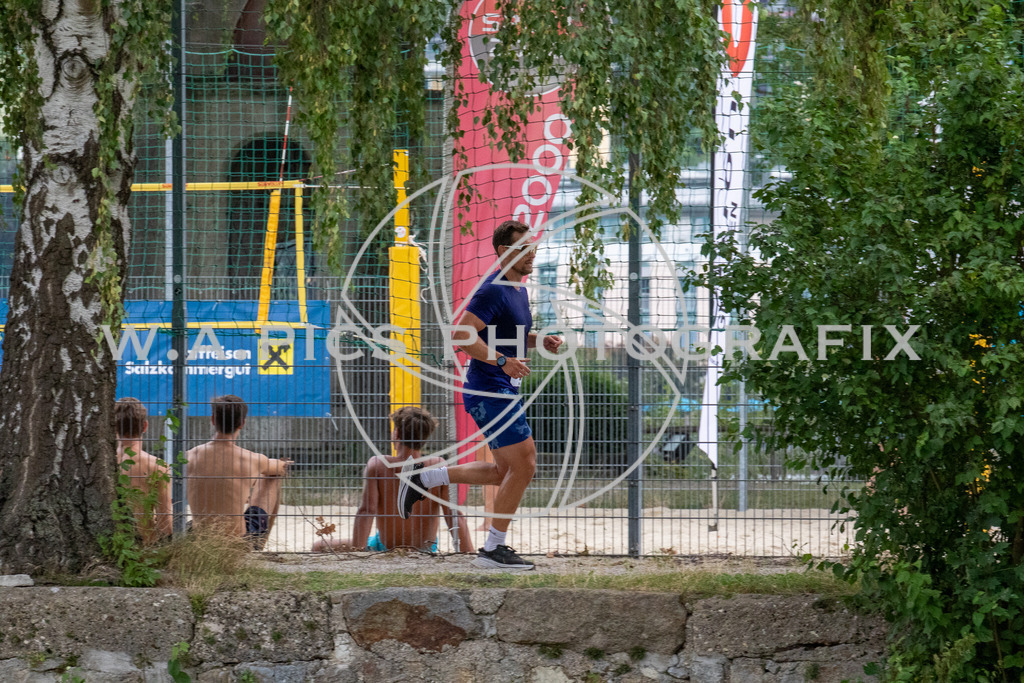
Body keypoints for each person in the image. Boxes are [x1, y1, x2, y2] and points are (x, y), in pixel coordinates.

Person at [398, 219, 563, 570]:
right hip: (490, 391)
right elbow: (462, 335)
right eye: (524, 248)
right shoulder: (494, 289)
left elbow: (504, 335)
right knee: (526, 463)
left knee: (503, 471)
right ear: (504, 252)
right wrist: (502, 361)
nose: (532, 254)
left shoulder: (517, 289)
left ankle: (423, 477)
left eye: (534, 248)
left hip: (501, 390)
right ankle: (493, 549)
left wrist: (539, 340)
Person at [314, 406, 473, 553]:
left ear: (396, 433)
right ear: (425, 438)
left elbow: (366, 511)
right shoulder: (438, 465)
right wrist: (468, 552)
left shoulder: (378, 465)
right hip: (426, 548)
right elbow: (453, 515)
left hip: (384, 546)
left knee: (318, 546)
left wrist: (358, 553)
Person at [186, 395, 291, 549]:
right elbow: (279, 468)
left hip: (201, 540)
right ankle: (258, 546)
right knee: (271, 476)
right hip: (238, 543)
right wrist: (282, 463)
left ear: (213, 419)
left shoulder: (189, 456)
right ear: (242, 423)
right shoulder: (252, 459)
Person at [114, 397, 172, 545]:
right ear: (145, 426)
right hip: (146, 546)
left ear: (113, 427)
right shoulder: (158, 466)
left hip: (111, 544)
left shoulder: (103, 464)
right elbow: (165, 521)